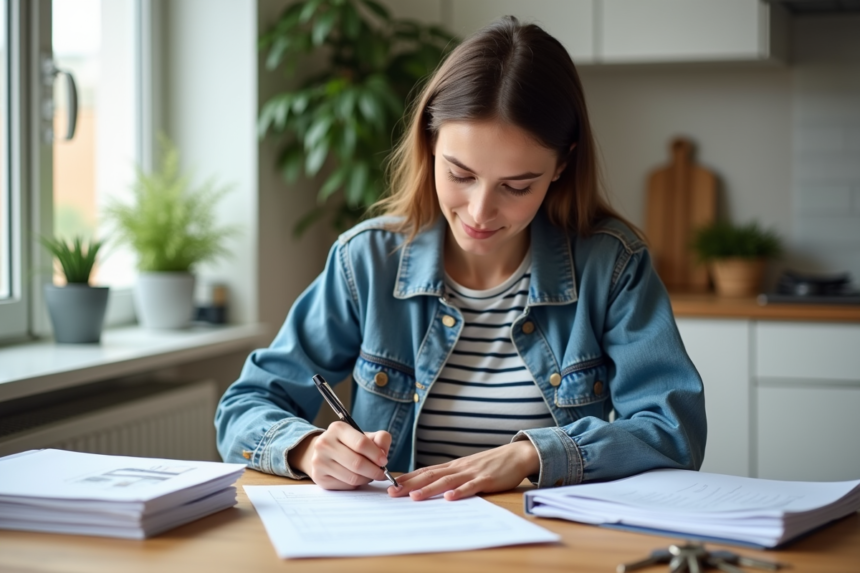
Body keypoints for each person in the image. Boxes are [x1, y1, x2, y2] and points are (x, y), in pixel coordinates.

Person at [215, 16, 706, 501]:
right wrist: (305, 447)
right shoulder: (365, 260)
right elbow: (244, 406)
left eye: (517, 186)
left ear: (561, 165)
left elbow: (674, 429)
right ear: (430, 144)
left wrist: (532, 456)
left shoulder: (612, 266)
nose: (479, 211)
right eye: (460, 174)